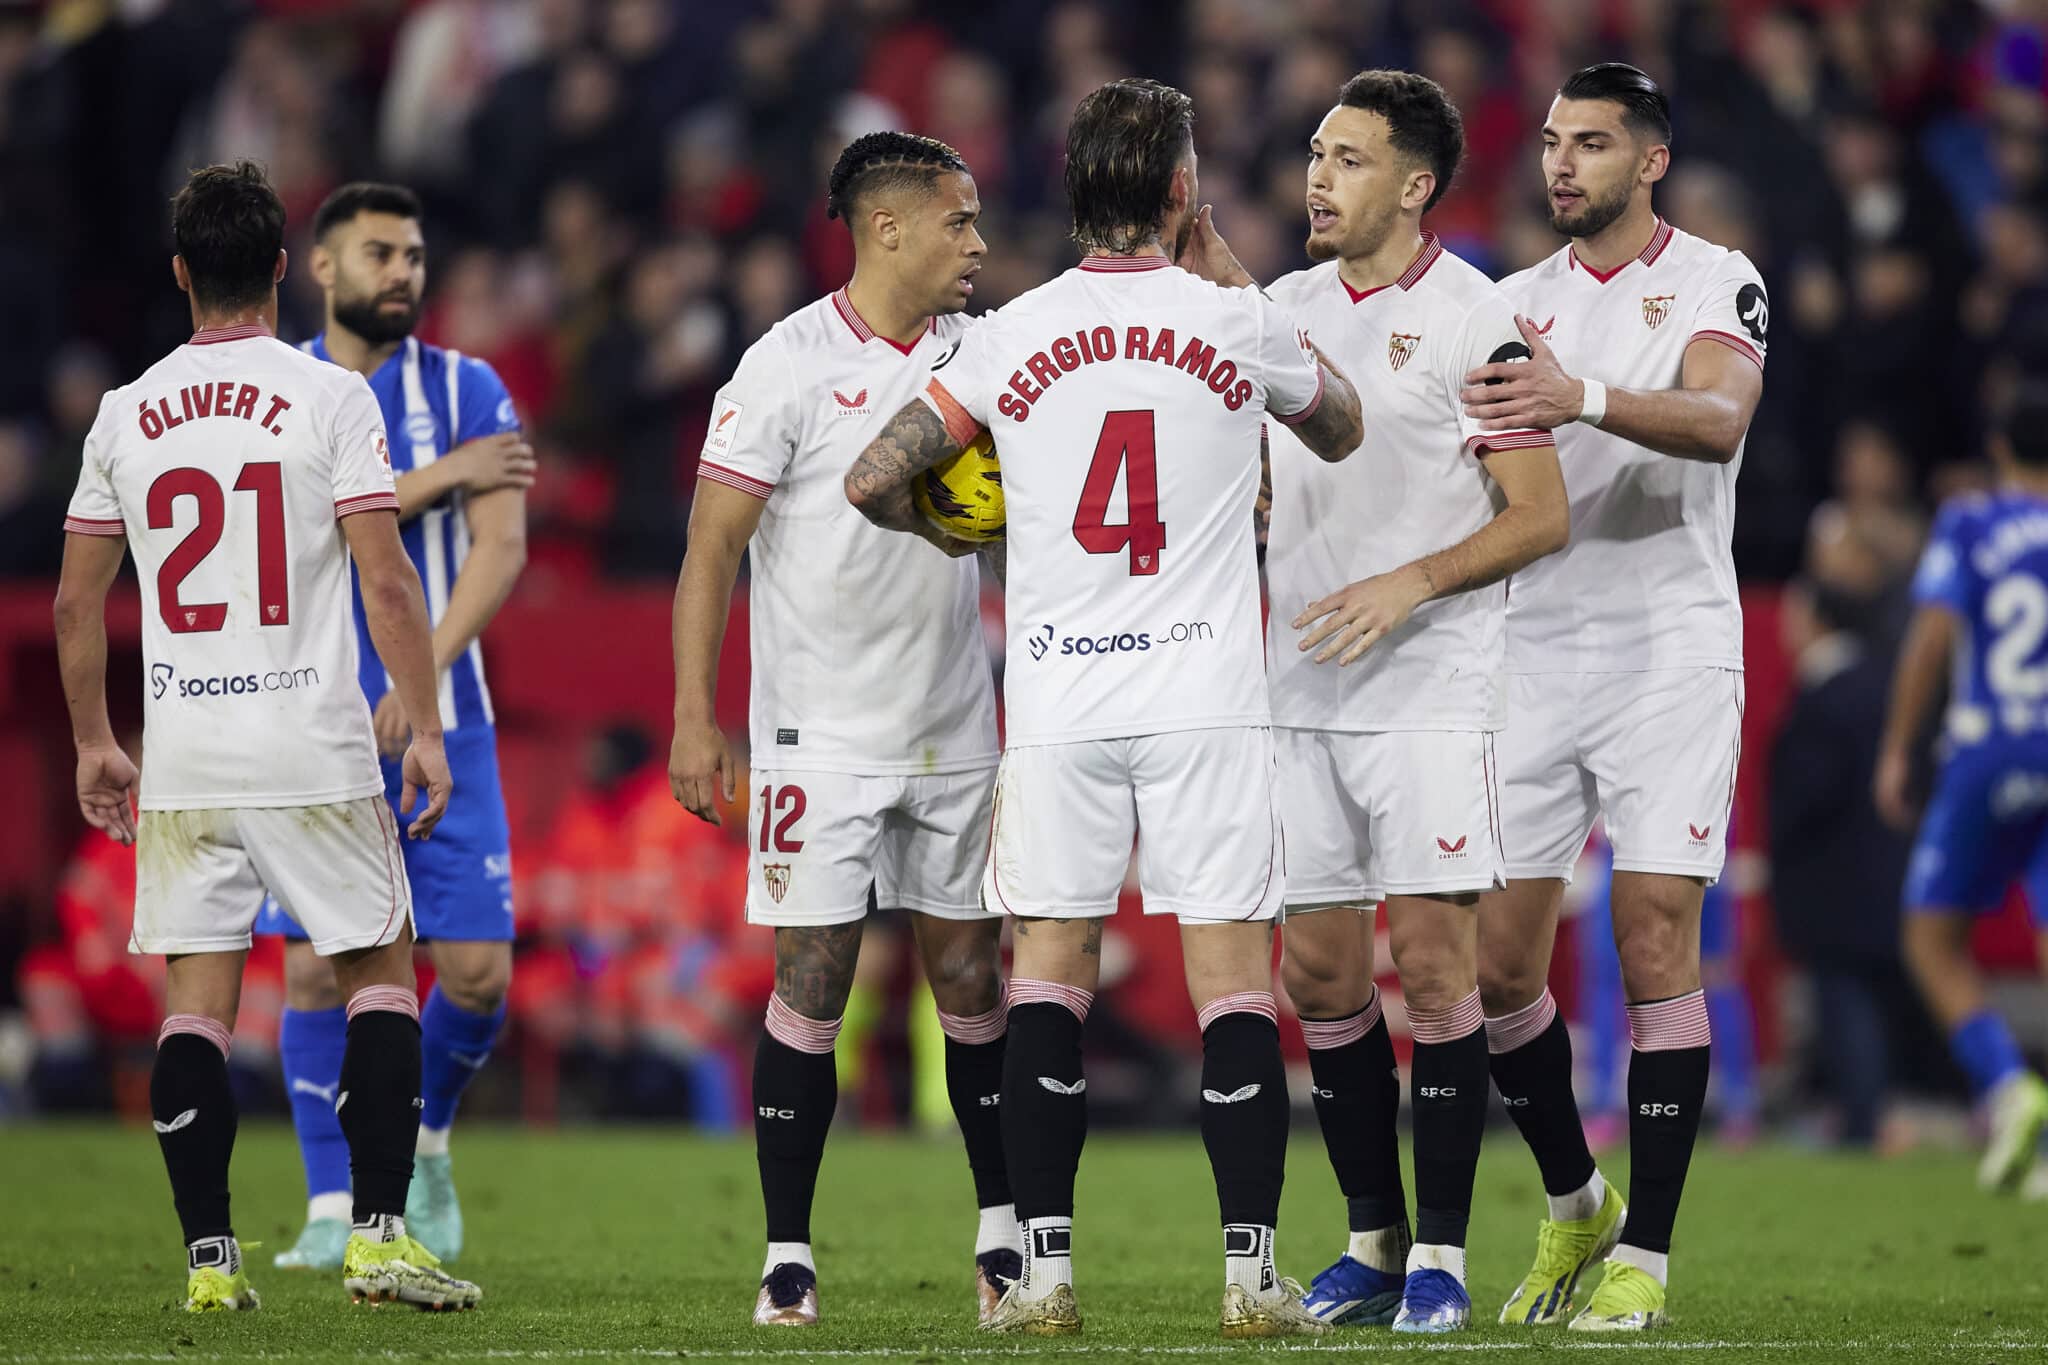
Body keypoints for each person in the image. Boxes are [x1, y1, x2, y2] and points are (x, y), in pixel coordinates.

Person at [848, 77, 1364, 1338]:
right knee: (1233, 982)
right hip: (1202, 693)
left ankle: (1043, 1277)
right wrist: (1232, 280)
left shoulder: (1003, 335)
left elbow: (870, 478)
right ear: (1182, 193)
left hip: (1061, 696)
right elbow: (1341, 427)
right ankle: (1249, 1278)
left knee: (1048, 981)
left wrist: (963, 517)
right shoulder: (1233, 322)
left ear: (1072, 191)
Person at [51, 161, 478, 1312]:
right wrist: (426, 729)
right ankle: (381, 1238)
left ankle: (207, 1265)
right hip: (309, 741)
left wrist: (97, 741)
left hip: (187, 753)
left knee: (198, 1004)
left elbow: (76, 603)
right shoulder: (331, 395)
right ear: (284, 268)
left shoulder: (122, 413)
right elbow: (385, 576)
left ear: (182, 272)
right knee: (379, 973)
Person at [668, 131, 1019, 1329]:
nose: (976, 244)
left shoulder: (989, 355)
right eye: (957, 222)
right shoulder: (784, 365)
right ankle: (785, 1255)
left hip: (953, 723)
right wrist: (694, 720)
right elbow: (711, 548)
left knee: (972, 975)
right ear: (886, 229)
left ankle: (1001, 1238)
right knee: (812, 983)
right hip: (817, 736)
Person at [1457, 63, 1769, 1332]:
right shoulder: (1509, 301)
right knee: (1494, 971)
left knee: (1650, 935)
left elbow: (1716, 419)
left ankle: (1646, 1251)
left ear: (1647, 159)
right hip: (1529, 648)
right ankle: (1576, 1201)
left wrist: (1575, 392)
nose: (1559, 165)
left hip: (1666, 647)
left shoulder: (1713, 276)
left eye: (1589, 143)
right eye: (1548, 143)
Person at [1256, 71, 1568, 1335]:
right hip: (1297, 682)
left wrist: (1411, 582)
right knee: (1322, 979)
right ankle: (1372, 1242)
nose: (1316, 177)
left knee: (1435, 973)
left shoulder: (1476, 322)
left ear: (1415, 184)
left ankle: (1440, 1256)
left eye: (1345, 158)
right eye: (1313, 153)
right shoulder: (1275, 312)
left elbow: (1539, 514)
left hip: (1431, 684)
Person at [255, 182, 534, 1272]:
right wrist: (441, 480)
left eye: (414, 254)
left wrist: (425, 679)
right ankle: (330, 1204)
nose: (402, 272)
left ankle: (425, 1140)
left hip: (445, 718)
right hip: (309, 721)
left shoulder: (469, 387)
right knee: (317, 972)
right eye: (379, 252)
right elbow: (291, 535)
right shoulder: (277, 393)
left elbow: (501, 548)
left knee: (475, 974)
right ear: (321, 268)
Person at [1876, 386, 2048, 1194]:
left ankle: (2010, 1088)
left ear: (2001, 450)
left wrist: (1899, 747)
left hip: (1987, 751)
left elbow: (1932, 636)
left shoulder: (1973, 522)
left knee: (1930, 935)